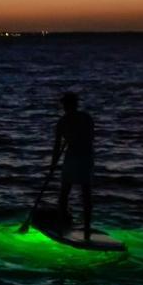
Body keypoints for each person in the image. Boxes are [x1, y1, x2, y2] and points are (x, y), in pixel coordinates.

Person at [51, 91, 95, 240]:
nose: (64, 107)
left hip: (75, 157)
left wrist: (52, 164)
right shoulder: (86, 118)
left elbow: (57, 147)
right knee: (85, 192)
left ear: (67, 105)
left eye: (64, 104)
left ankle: (60, 224)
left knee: (65, 191)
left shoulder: (63, 122)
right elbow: (90, 138)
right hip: (85, 157)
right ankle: (87, 226)